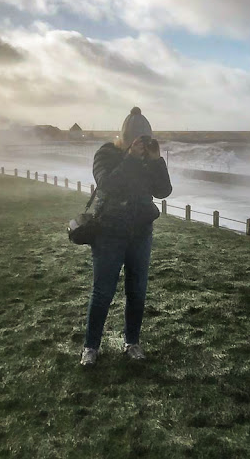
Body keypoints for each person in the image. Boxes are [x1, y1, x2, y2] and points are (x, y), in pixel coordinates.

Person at [81, 107, 172, 366]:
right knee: (103, 292)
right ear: (125, 136)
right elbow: (106, 184)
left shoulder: (148, 159)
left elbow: (164, 190)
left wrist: (156, 160)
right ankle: (91, 346)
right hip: (109, 233)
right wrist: (131, 158)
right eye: (137, 139)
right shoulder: (107, 154)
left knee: (137, 291)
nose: (141, 143)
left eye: (145, 139)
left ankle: (132, 342)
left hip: (140, 233)